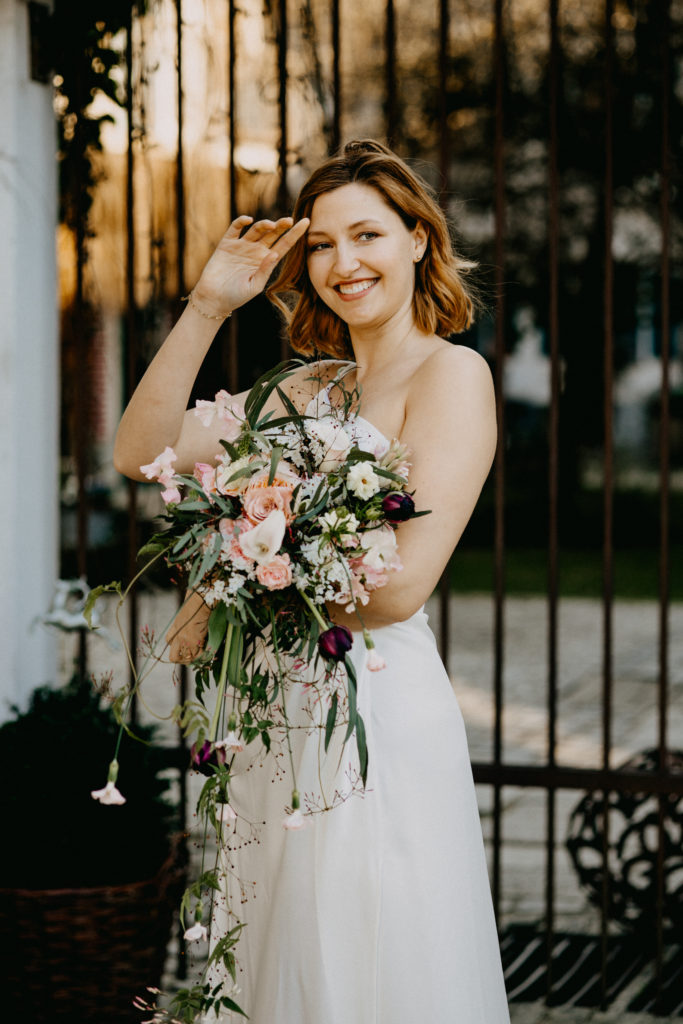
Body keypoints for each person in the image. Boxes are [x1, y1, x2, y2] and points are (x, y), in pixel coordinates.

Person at [114, 139, 510, 1023]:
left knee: (372, 954)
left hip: (373, 711)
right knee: (282, 953)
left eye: (366, 235)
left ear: (417, 239)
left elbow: (399, 589)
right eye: (321, 245)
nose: (343, 263)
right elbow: (140, 452)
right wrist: (209, 307)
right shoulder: (303, 390)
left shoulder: (452, 374)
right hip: (276, 715)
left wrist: (233, 573)